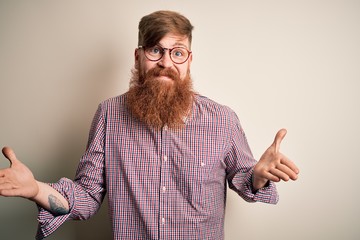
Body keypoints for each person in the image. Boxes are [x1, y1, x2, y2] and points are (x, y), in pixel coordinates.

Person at [0, 10, 299, 240]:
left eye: (177, 52)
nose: (165, 62)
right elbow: (87, 198)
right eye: (155, 50)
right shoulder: (109, 114)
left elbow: (247, 184)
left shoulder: (222, 119)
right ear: (139, 56)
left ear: (189, 60)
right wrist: (35, 189)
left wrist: (258, 176)